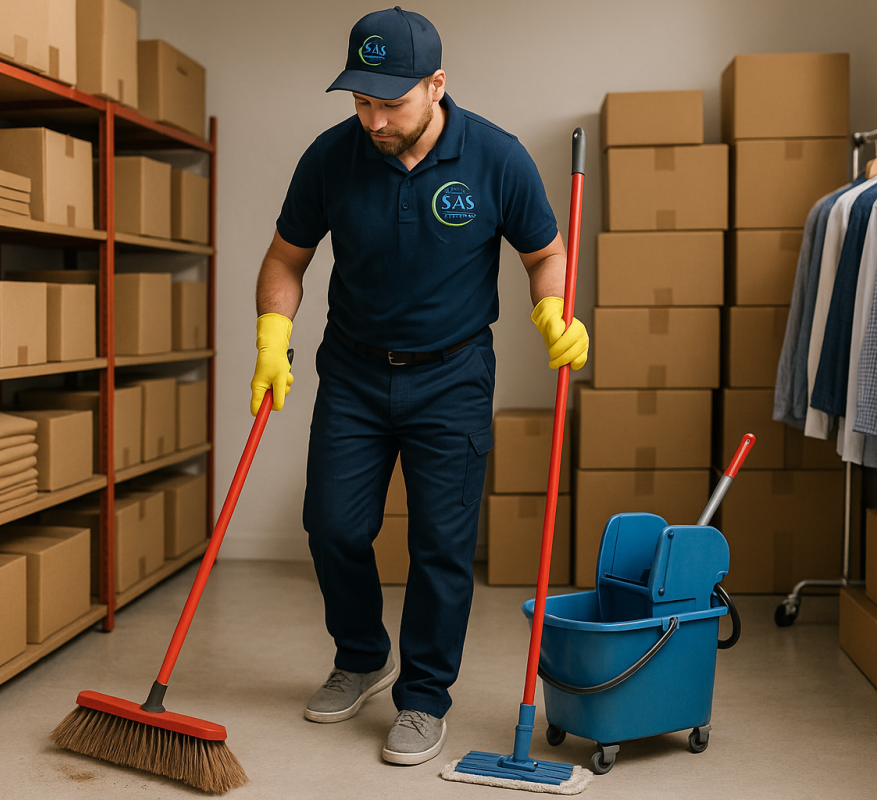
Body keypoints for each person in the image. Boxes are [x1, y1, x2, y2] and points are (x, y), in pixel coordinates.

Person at [249, 6, 589, 766]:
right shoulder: (329, 159)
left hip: (453, 375)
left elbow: (545, 254)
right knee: (333, 526)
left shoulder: (496, 158)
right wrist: (274, 336)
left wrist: (550, 307)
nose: (372, 120)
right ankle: (363, 656)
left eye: (389, 102)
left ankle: (425, 696)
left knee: (441, 544)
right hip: (353, 371)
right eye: (360, 101)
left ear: (437, 85)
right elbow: (285, 260)